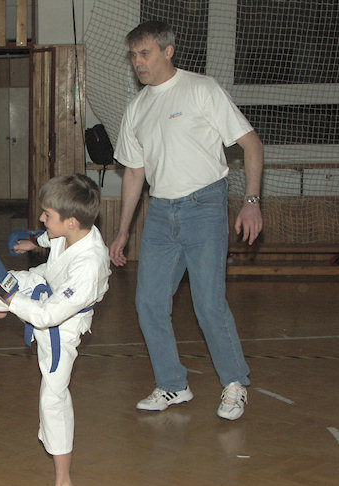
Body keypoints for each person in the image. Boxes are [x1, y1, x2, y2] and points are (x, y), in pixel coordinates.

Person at [109, 21, 264, 421]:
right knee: (148, 302)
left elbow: (251, 144)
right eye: (133, 55)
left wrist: (251, 202)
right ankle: (172, 385)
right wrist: (123, 231)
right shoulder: (136, 108)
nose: (138, 62)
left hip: (205, 205)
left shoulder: (201, 89)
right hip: (161, 212)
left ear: (168, 51)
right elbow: (134, 173)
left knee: (208, 303)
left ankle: (235, 383)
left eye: (145, 53)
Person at [0, 174, 111, 486]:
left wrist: (4, 293)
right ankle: (1, 308)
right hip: (38, 286)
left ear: (71, 221)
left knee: (53, 397)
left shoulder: (89, 266)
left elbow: (48, 316)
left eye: (47, 215)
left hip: (62, 324)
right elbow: (51, 238)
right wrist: (34, 242)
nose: (41, 218)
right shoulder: (70, 230)